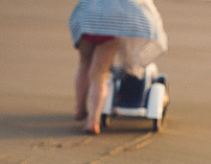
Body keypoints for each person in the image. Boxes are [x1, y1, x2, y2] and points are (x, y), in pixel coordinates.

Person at [69, 0, 168, 134]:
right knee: (99, 73)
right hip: (111, 24)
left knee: (84, 65)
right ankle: (93, 121)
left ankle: (80, 109)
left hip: (87, 19)